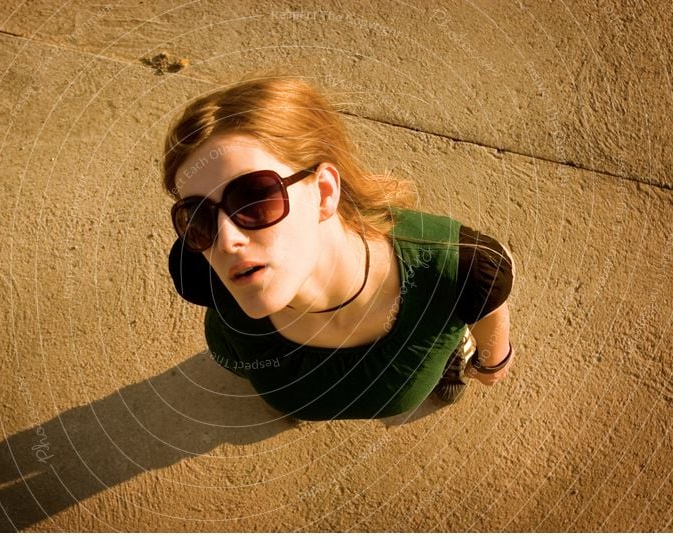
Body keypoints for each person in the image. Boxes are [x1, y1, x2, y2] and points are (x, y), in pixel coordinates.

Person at [163, 75, 514, 421]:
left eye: (253, 199)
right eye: (197, 216)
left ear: (325, 192)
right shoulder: (198, 269)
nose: (225, 241)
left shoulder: (463, 266)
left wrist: (490, 360)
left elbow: (492, 318)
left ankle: (450, 355)